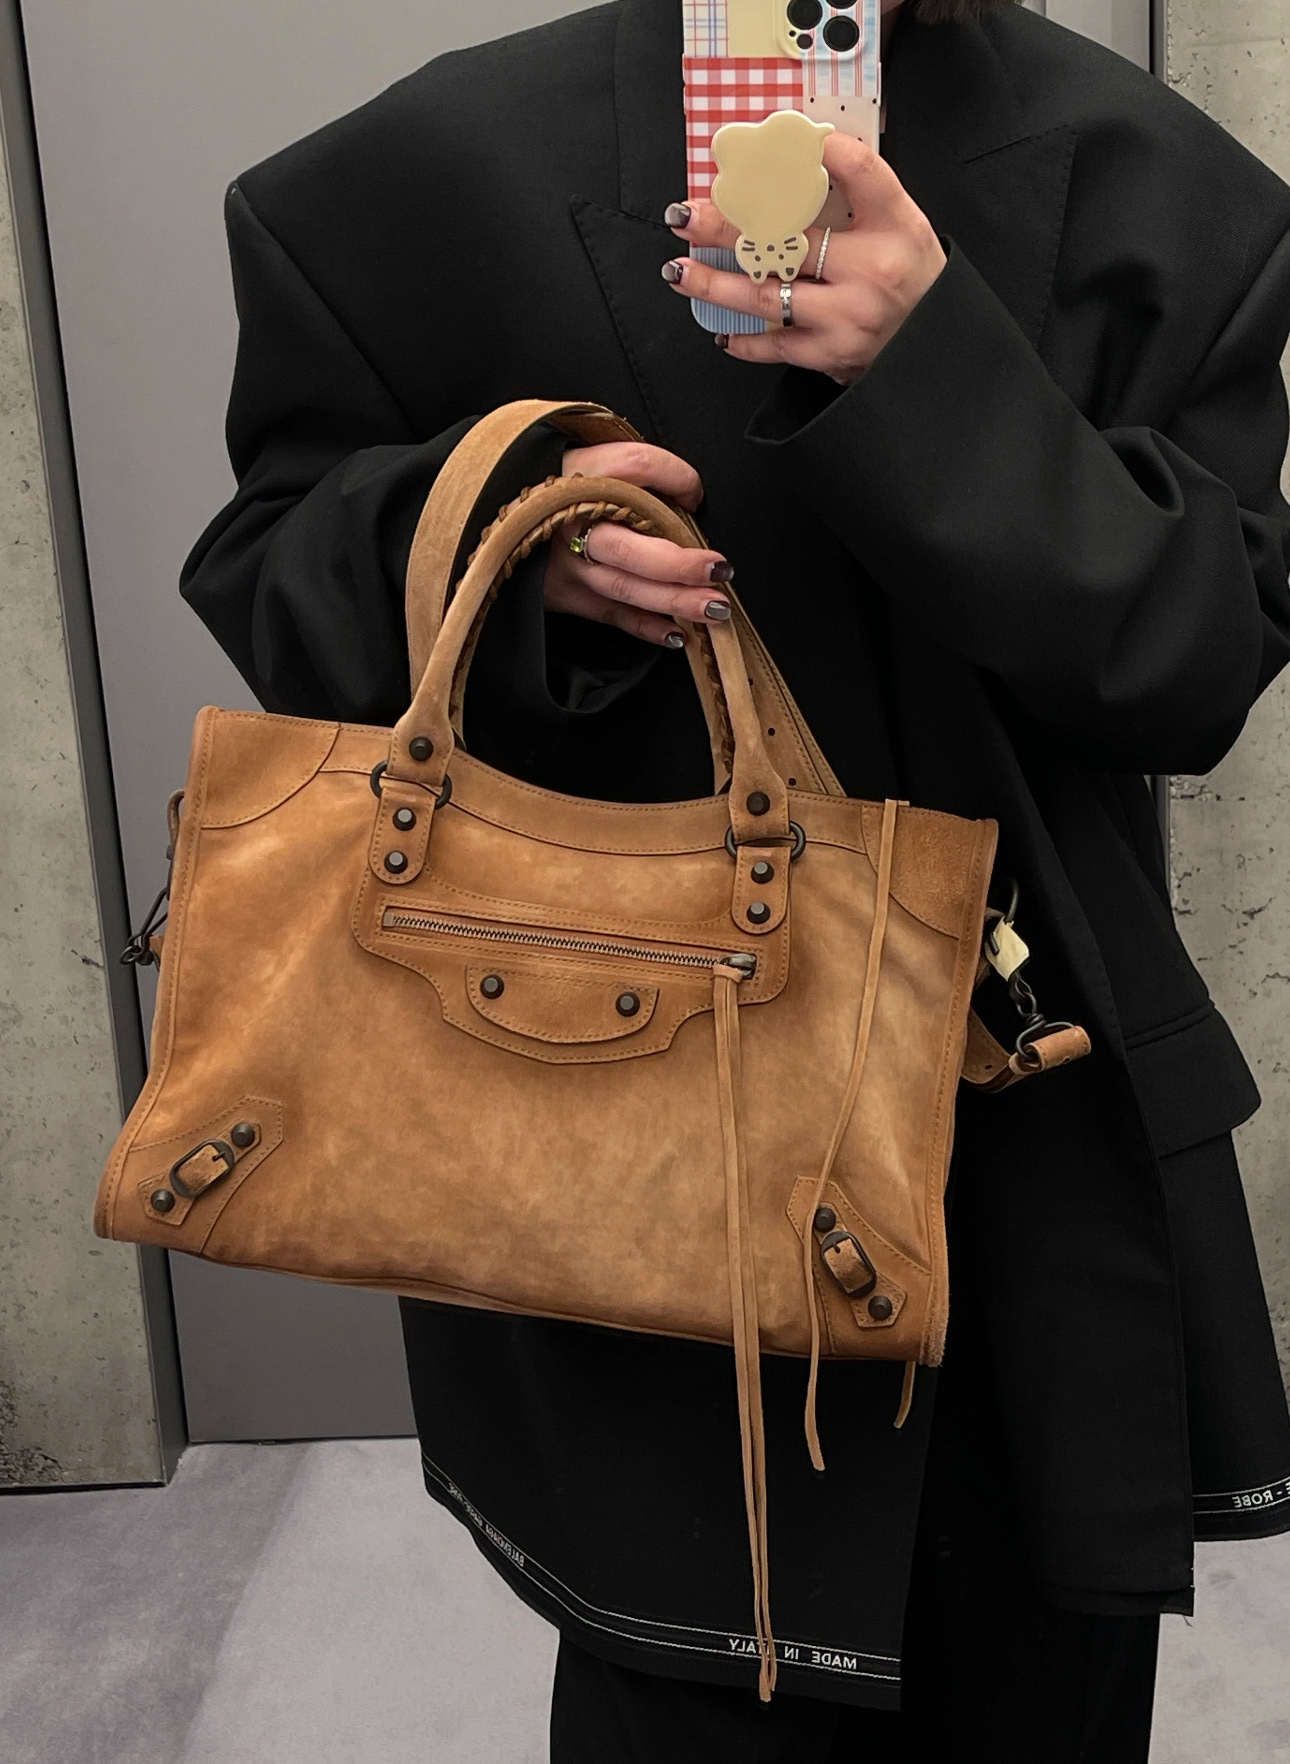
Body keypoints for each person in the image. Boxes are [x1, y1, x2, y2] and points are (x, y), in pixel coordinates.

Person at [181, 0, 1290, 1755]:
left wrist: (938, 377)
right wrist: (503, 545)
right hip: (613, 1113)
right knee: (693, 1688)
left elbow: (1194, 669)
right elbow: (275, 573)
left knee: (1029, 1678)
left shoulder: (1151, 187)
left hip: (1020, 1139)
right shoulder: (418, 180)